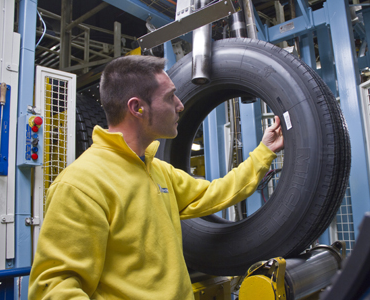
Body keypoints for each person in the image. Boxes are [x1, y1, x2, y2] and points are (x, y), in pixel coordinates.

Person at [28, 55, 284, 299]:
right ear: (137, 107)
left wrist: (265, 151)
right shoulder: (82, 184)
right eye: (170, 97)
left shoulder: (157, 170)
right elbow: (54, 288)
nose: (180, 105)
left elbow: (215, 192)